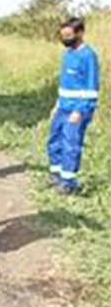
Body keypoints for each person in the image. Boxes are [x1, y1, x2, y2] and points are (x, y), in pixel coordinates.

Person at [47, 17, 100, 195]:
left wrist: (80, 110)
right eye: (63, 35)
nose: (65, 39)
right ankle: (55, 175)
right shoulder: (68, 54)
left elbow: (92, 88)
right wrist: (56, 104)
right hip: (62, 107)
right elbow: (65, 84)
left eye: (69, 35)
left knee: (71, 144)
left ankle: (68, 182)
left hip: (78, 110)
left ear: (80, 33)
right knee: (54, 140)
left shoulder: (88, 56)